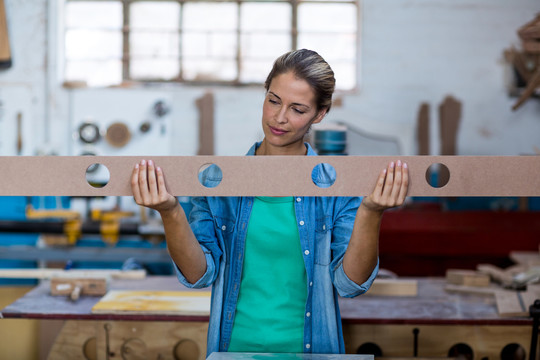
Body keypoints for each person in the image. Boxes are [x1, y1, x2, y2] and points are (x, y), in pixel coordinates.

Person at [131, 49, 409, 355]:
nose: (279, 118)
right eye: (273, 100)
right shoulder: (217, 181)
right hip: (235, 350)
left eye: (297, 109)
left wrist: (372, 212)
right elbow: (199, 276)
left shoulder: (337, 187)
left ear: (319, 114)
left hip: (312, 350)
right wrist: (170, 212)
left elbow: (350, 284)